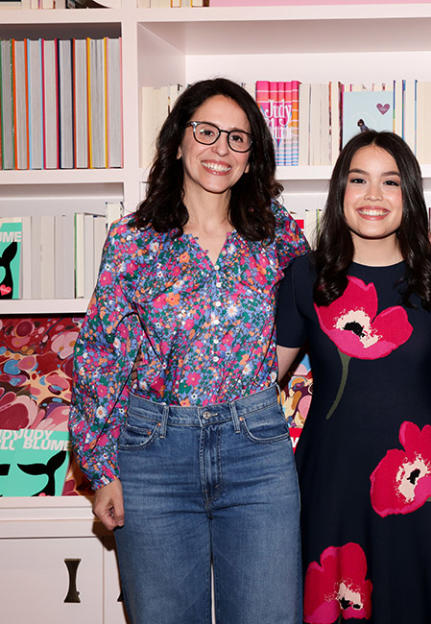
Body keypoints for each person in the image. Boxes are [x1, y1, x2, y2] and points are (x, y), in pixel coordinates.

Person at [69, 78, 308, 624]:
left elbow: (326, 305)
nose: (220, 149)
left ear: (252, 159)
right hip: (153, 456)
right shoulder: (133, 241)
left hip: (256, 454)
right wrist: (101, 469)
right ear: (178, 141)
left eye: (238, 139)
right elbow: (99, 355)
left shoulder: (279, 238)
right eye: (207, 132)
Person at [276, 130, 431, 624]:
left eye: (390, 182)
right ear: (341, 193)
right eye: (359, 180)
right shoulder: (304, 276)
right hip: (330, 481)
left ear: (410, 196)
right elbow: (258, 378)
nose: (373, 196)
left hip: (420, 479)